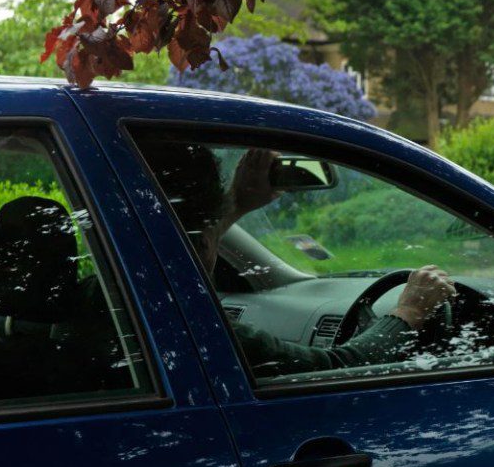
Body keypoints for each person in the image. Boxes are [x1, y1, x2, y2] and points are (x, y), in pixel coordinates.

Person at [136, 140, 456, 375]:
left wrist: (235, 202)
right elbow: (339, 369)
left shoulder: (112, 302)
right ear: (205, 245)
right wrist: (410, 310)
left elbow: (183, 235)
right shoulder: (193, 328)